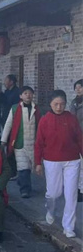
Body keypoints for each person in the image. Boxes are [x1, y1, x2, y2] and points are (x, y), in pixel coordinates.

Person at [34, 90, 83, 238]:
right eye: (56, 104)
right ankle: (50, 209)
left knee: (71, 193)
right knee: (53, 193)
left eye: (62, 104)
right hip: (52, 160)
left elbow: (80, 138)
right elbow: (39, 143)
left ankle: (68, 226)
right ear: (50, 104)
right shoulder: (45, 120)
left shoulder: (71, 119)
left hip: (72, 160)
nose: (59, 107)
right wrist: (38, 162)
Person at [1, 86, 40, 198]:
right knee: (23, 167)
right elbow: (8, 124)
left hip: (33, 143)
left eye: (30, 93)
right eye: (25, 93)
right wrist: (3, 140)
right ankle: (25, 190)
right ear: (20, 96)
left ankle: (22, 181)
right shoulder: (15, 109)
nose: (28, 95)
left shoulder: (36, 109)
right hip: (19, 143)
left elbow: (40, 125)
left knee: (30, 166)